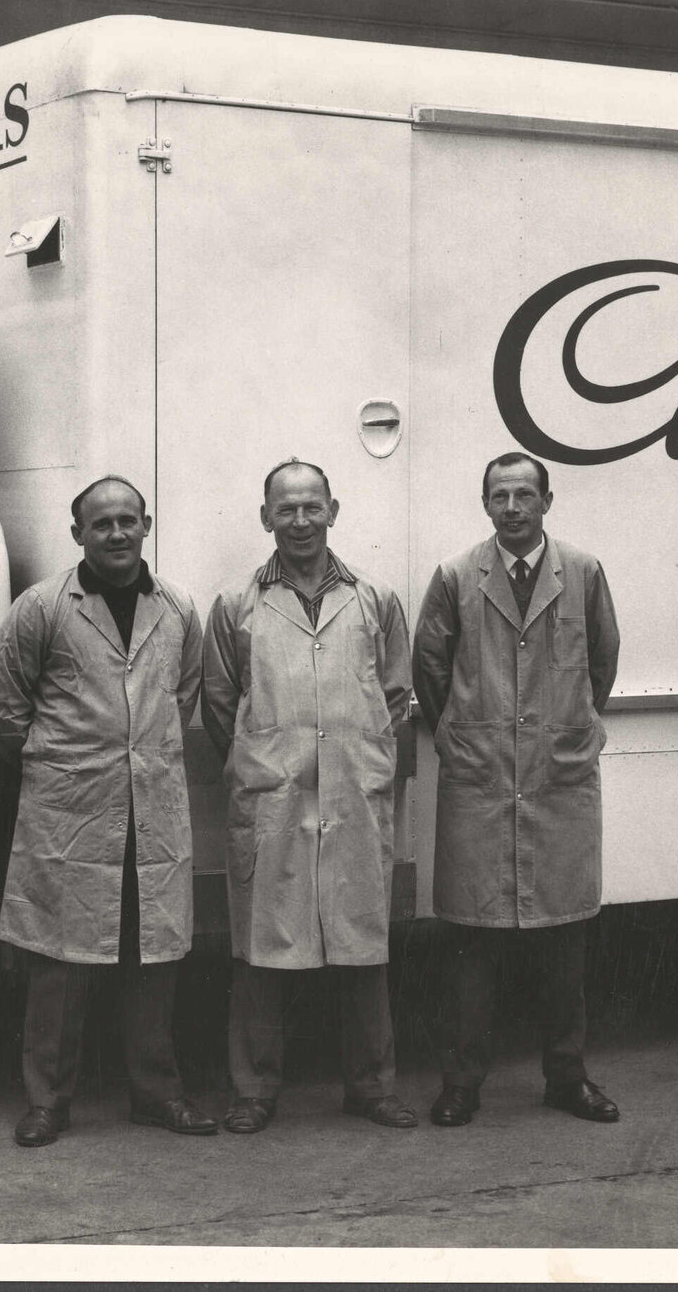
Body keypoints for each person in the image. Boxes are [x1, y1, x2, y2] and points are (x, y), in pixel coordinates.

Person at [0, 475, 218, 1147]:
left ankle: (157, 1093)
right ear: (77, 532)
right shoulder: (43, 607)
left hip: (151, 809)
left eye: (127, 521)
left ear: (146, 526)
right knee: (60, 960)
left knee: (153, 955)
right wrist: (55, 759)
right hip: (72, 810)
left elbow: (182, 694)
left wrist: (139, 755)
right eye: (102, 523)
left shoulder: (177, 607)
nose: (116, 533)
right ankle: (47, 1101)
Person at [201, 459, 418, 1133]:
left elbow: (394, 695)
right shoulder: (236, 604)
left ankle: (372, 1086)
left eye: (312, 507)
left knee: (363, 944)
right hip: (274, 798)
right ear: (266, 516)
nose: (300, 521)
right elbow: (219, 702)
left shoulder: (375, 598)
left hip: (353, 795)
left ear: (333, 511)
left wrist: (361, 758)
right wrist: (262, 759)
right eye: (286, 508)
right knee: (262, 948)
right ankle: (254, 1089)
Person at [411, 452, 622, 1127]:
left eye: (524, 494)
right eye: (499, 495)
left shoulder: (582, 572)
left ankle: (568, 1077)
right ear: (485, 504)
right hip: (481, 780)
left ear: (546, 501)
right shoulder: (455, 576)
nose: (511, 507)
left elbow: (602, 663)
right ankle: (462, 1083)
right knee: (472, 944)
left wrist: (569, 724)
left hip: (558, 780)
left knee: (565, 942)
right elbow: (429, 667)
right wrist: (464, 734)